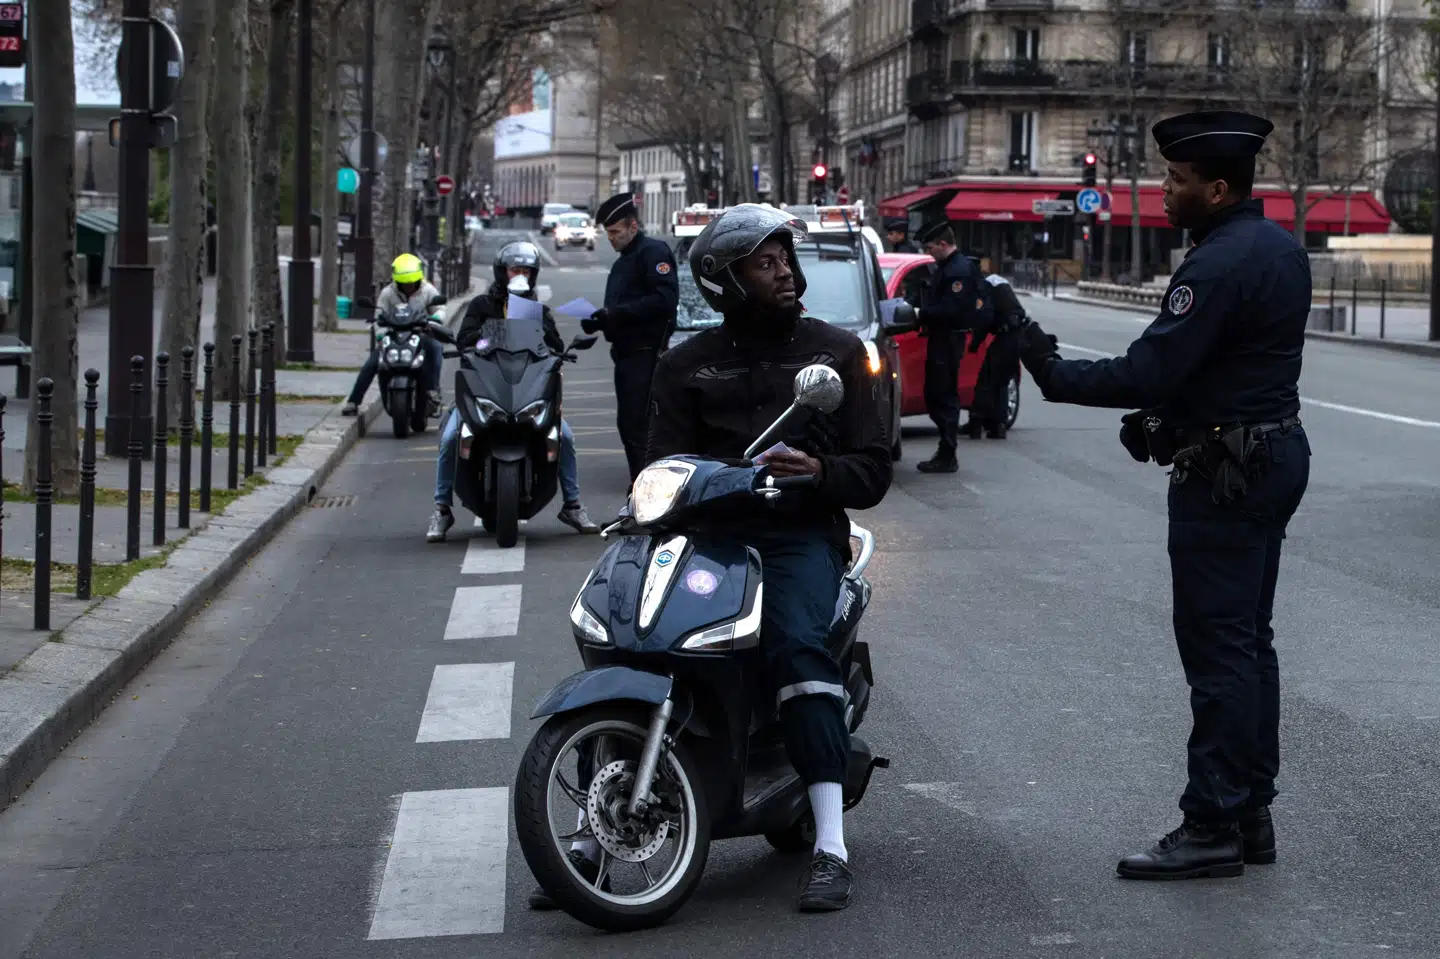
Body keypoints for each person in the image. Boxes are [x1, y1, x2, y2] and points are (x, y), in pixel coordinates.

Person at [1014, 111, 1311, 880]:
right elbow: (1231, 367)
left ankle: (1211, 823)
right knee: (1250, 641)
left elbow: (1149, 368)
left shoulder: (1214, 265)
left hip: (1227, 471)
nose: (1164, 192)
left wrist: (1049, 370)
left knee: (1219, 654)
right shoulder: (1278, 247)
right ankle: (1250, 812)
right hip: (1271, 453)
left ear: (1217, 187)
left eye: (1176, 181)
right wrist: (1169, 417)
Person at [653, 203, 890, 910]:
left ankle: (829, 846)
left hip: (798, 534)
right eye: (765, 261)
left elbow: (873, 471)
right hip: (710, 536)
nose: (785, 270)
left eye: (786, 256)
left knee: (795, 647)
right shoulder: (684, 365)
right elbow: (657, 466)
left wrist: (817, 473)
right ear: (727, 280)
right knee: (640, 640)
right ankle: (587, 835)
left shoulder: (836, 354)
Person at [426, 241, 600, 542]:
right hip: (485, 385)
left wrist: (541, 331)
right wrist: (489, 334)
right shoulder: (482, 305)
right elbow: (466, 338)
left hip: (526, 389)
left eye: (525, 271)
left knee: (565, 438)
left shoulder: (538, 310)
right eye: (514, 269)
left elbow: (555, 347)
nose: (519, 275)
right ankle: (442, 508)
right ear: (502, 272)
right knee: (451, 436)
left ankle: (572, 504)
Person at [581, 192, 680, 486]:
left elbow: (664, 300)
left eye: (615, 232)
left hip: (646, 353)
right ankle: (640, 486)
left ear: (633, 227)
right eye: (607, 233)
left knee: (639, 426)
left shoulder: (653, 253)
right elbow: (620, 308)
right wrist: (601, 320)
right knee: (629, 425)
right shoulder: (624, 261)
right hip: (625, 354)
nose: (610, 238)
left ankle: (645, 489)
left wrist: (616, 315)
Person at [912, 219, 985, 473]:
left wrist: (921, 313)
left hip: (949, 339)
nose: (928, 253)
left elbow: (952, 309)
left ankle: (947, 452)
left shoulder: (959, 270)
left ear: (943, 244)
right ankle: (945, 449)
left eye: (930, 247)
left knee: (944, 395)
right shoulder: (947, 267)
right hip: (941, 338)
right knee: (935, 394)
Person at [342, 253, 445, 416]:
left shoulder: (428, 290)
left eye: (412, 283)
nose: (409, 286)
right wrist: (381, 335)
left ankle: (433, 391)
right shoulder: (388, 293)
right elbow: (378, 317)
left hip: (420, 335)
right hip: (394, 335)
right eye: (404, 284)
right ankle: (353, 401)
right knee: (372, 362)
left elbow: (439, 308)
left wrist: (436, 318)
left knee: (435, 349)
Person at [961, 259, 1024, 440]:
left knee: (986, 381)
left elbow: (985, 318)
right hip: (1018, 336)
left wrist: (975, 343)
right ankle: (998, 424)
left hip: (1005, 337)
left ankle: (976, 422)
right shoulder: (997, 280)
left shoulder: (983, 288)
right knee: (1002, 381)